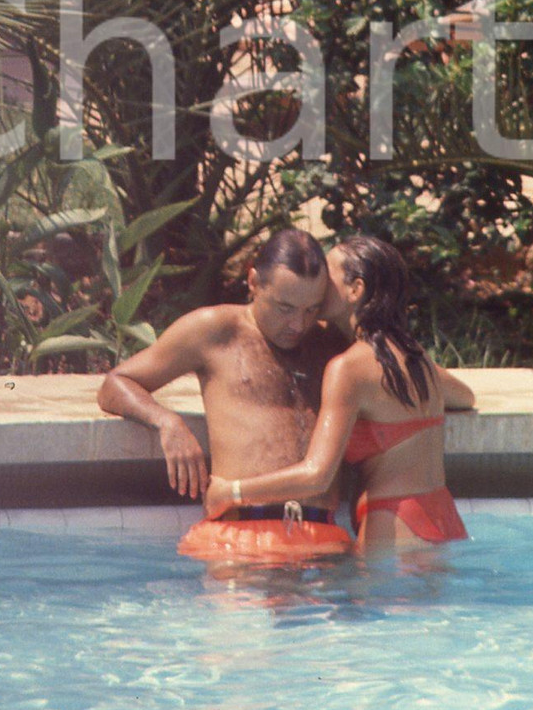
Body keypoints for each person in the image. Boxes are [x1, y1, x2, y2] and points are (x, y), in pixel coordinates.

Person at [204, 235, 476, 556]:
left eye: (327, 275)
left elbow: (317, 476)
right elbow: (465, 396)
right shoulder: (412, 355)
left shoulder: (349, 368)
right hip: (442, 515)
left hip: (393, 524)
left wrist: (231, 492)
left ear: (355, 289)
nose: (318, 284)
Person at [97, 229, 355, 561]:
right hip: (239, 536)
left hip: (324, 536)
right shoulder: (215, 330)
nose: (297, 324)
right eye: (285, 307)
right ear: (253, 283)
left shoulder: (331, 344)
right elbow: (116, 384)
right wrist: (167, 423)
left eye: (311, 309)